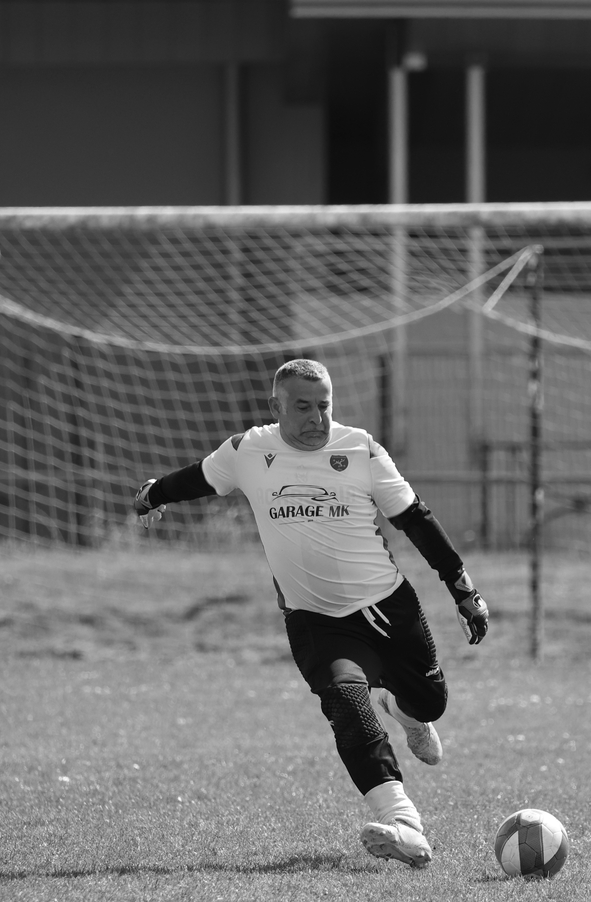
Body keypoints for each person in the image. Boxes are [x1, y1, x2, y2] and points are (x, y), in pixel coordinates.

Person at [133, 358, 490, 869]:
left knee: (431, 703)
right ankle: (404, 824)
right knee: (345, 703)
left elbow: (416, 519)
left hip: (387, 607)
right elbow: (199, 479)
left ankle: (404, 711)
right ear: (275, 406)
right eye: (302, 407)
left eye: (324, 406)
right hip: (315, 621)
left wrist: (462, 588)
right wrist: (152, 495)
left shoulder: (361, 448)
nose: (316, 418)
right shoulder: (248, 450)